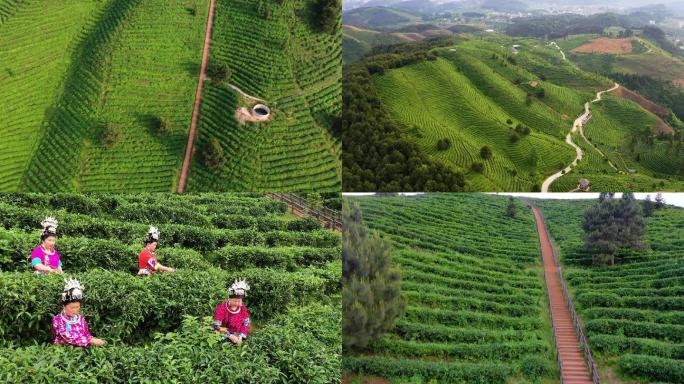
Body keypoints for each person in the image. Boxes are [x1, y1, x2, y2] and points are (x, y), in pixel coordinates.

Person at [52, 278, 105, 347]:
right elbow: (68, 338)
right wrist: (91, 341)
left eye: (77, 307)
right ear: (64, 306)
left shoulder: (80, 318)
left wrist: (93, 339)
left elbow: (86, 333)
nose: (75, 310)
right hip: (64, 350)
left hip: (83, 348)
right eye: (72, 307)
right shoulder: (57, 320)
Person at [213, 279, 251, 344]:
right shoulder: (222, 308)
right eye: (234, 301)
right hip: (224, 331)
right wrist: (230, 336)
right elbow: (217, 326)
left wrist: (241, 336)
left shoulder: (242, 308)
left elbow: (246, 323)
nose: (237, 303)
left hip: (238, 331)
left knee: (238, 341)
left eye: (239, 301)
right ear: (229, 299)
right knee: (219, 338)